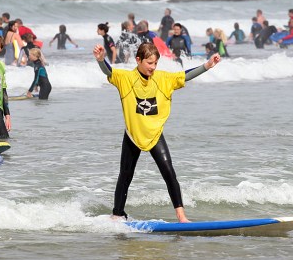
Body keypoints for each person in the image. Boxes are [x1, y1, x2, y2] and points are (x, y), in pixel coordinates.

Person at [93, 42, 221, 222]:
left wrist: (207, 65)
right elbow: (109, 72)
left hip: (154, 133)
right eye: (149, 63)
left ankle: (182, 217)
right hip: (133, 134)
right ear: (138, 60)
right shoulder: (126, 78)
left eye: (155, 64)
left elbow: (185, 75)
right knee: (125, 175)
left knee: (169, 172)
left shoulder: (162, 79)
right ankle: (117, 214)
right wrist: (101, 60)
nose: (153, 67)